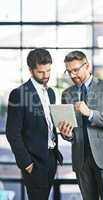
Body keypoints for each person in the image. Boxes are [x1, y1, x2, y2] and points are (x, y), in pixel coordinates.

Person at [58, 51, 103, 200]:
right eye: (69, 71)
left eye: (75, 70)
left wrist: (90, 113)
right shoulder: (66, 94)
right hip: (81, 160)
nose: (72, 75)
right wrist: (67, 134)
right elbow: (70, 131)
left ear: (87, 66)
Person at [6, 48, 63, 200]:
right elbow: (12, 133)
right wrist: (26, 163)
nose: (46, 76)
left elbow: (48, 125)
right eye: (41, 72)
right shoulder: (19, 94)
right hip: (34, 163)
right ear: (31, 70)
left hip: (51, 158)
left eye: (48, 71)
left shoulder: (50, 93)